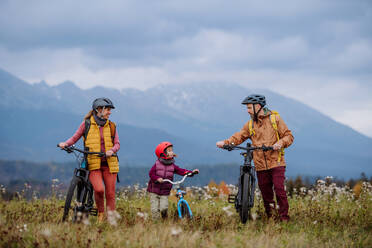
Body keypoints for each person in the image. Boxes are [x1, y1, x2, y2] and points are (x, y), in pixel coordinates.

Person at [216, 94, 294, 221]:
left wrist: (280, 143)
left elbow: (289, 136)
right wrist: (226, 143)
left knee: (279, 190)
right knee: (266, 194)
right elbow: (239, 136)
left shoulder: (275, 119)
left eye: (249, 108)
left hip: (276, 162)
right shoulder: (250, 124)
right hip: (260, 164)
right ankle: (272, 219)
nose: (247, 111)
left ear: (258, 106)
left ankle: (284, 219)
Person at [58, 97, 120, 222]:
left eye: (110, 110)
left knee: (110, 193)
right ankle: (101, 214)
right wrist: (65, 143)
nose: (110, 112)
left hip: (109, 163)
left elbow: (117, 144)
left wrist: (111, 151)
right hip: (93, 163)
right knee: (99, 189)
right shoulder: (86, 124)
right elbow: (75, 137)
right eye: (107, 109)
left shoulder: (112, 126)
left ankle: (111, 219)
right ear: (99, 110)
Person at [147, 141, 199, 220]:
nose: (172, 152)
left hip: (164, 192)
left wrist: (191, 173)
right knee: (154, 209)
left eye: (172, 150)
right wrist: (157, 178)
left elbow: (181, 171)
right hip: (154, 191)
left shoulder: (172, 165)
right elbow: (151, 174)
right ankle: (156, 224)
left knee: (164, 208)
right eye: (169, 151)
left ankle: (164, 218)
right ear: (162, 153)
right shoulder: (157, 164)